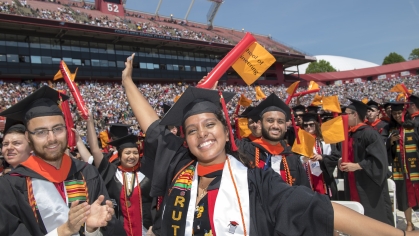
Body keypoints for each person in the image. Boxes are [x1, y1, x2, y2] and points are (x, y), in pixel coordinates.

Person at [122, 53, 415, 236]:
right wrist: (127, 83)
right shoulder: (179, 166)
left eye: (210, 124)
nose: (202, 134)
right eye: (191, 130)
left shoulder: (255, 182)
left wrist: (396, 235)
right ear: (184, 139)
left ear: (226, 132)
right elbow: (155, 129)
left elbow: (320, 209)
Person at [0, 86, 115, 235]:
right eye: (41, 132)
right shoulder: (11, 186)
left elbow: (111, 228)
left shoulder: (87, 173)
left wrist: (91, 229)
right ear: (28, 138)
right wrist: (64, 231)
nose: (52, 138)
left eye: (58, 129)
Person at [86, 111, 153, 236]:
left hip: (145, 231)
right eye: (127, 153)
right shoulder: (111, 171)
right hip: (118, 231)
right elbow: (95, 150)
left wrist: (154, 228)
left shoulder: (147, 173)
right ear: (120, 156)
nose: (132, 156)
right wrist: (89, 121)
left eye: (135, 153)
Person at [339, 98, 394, 226]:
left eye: (346, 114)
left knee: (373, 222)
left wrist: (357, 165)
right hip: (353, 183)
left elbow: (379, 160)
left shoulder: (370, 134)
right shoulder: (351, 134)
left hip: (368, 186)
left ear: (355, 115)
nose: (343, 117)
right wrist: (341, 160)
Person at [239, 94, 310, 187]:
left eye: (280, 122)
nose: (275, 126)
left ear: (285, 127)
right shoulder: (245, 151)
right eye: (270, 121)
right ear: (260, 124)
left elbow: (304, 192)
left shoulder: (291, 158)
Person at [387, 102, 419, 231]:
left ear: (404, 112)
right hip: (400, 167)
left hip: (415, 166)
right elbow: (387, 149)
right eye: (394, 114)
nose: (397, 116)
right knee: (404, 195)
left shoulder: (414, 125)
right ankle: (409, 223)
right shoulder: (390, 129)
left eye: (399, 113)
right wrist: (390, 142)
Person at [300, 113, 340, 199]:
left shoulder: (325, 140)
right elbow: (294, 160)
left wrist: (322, 157)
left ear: (317, 124)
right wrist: (303, 159)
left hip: (324, 178)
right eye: (305, 125)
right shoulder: (299, 142)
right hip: (307, 178)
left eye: (311, 124)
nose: (308, 127)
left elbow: (336, 156)